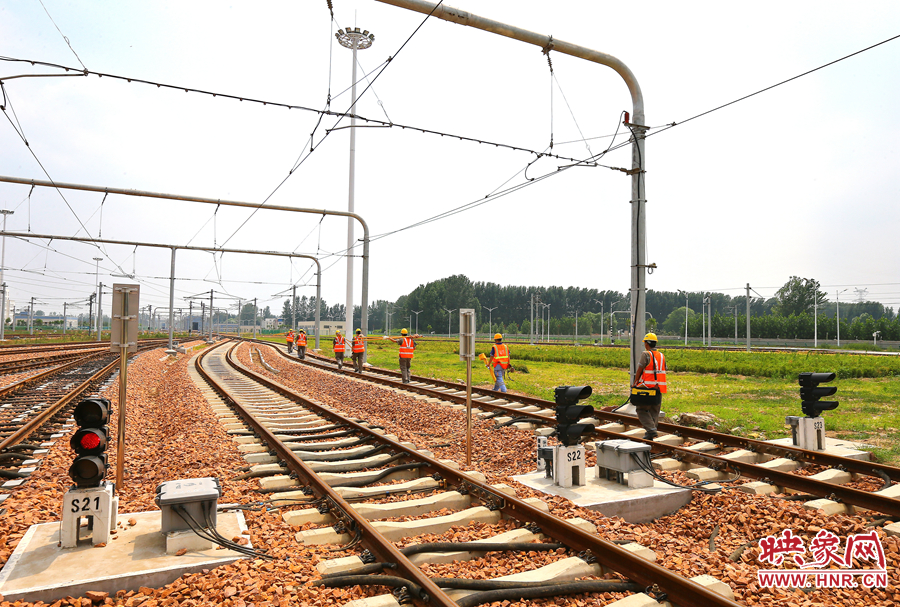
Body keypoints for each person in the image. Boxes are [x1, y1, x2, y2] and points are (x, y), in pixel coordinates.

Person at [632, 332, 667, 440]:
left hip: (647, 387)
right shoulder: (661, 355)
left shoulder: (646, 354)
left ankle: (651, 430)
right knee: (654, 410)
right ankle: (652, 430)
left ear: (647, 344)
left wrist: (635, 382)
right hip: (659, 387)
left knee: (641, 409)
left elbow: (640, 369)